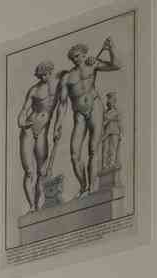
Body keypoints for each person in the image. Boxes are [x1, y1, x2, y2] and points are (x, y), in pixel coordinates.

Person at [58, 37, 118, 198]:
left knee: (93, 149)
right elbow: (63, 103)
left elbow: (116, 65)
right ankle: (83, 187)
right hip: (79, 114)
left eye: (80, 55)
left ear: (85, 54)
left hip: (95, 107)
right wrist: (58, 123)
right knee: (74, 153)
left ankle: (92, 188)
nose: (78, 59)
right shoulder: (67, 77)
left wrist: (111, 49)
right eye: (75, 57)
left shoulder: (94, 64)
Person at [16, 59, 59, 213]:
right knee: (29, 171)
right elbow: (24, 110)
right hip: (29, 129)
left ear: (50, 72)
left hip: (43, 132)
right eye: (40, 76)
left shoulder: (59, 86)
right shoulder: (34, 90)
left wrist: (58, 125)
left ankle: (40, 204)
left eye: (45, 75)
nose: (42, 78)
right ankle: (32, 206)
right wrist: (21, 120)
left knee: (42, 171)